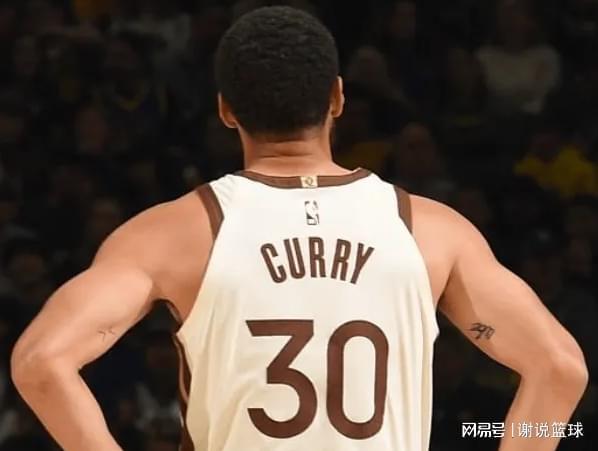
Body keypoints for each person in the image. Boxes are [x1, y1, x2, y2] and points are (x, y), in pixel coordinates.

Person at [11, 6, 588, 451]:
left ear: (226, 110)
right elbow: (559, 368)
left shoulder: (171, 233)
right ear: (337, 97)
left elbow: (41, 362)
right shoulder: (430, 230)